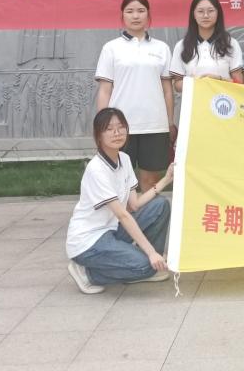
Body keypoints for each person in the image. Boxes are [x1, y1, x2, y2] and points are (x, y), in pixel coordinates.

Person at [65, 108, 173, 294]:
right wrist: (150, 253)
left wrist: (166, 179)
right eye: (109, 129)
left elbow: (134, 204)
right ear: (98, 136)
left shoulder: (124, 159)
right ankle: (87, 274)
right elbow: (123, 215)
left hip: (111, 230)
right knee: (145, 265)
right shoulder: (97, 169)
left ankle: (149, 265)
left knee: (160, 205)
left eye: (121, 127)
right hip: (89, 241)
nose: (117, 133)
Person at [95, 0, 173, 192]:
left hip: (154, 125)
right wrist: (102, 126)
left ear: (148, 14)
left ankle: (148, 213)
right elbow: (105, 90)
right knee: (120, 182)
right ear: (122, 15)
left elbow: (167, 91)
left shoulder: (162, 48)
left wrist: (169, 122)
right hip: (120, 126)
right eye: (130, 11)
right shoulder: (111, 48)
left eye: (141, 10)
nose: (136, 16)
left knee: (150, 181)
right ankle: (124, 214)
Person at [170, 0, 243, 93]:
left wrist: (218, 79)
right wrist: (195, 82)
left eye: (211, 11)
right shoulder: (181, 46)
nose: (205, 15)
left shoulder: (231, 44)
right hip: (194, 102)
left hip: (223, 101)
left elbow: (239, 84)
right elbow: (176, 85)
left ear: (218, 13)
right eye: (200, 11)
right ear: (193, 14)